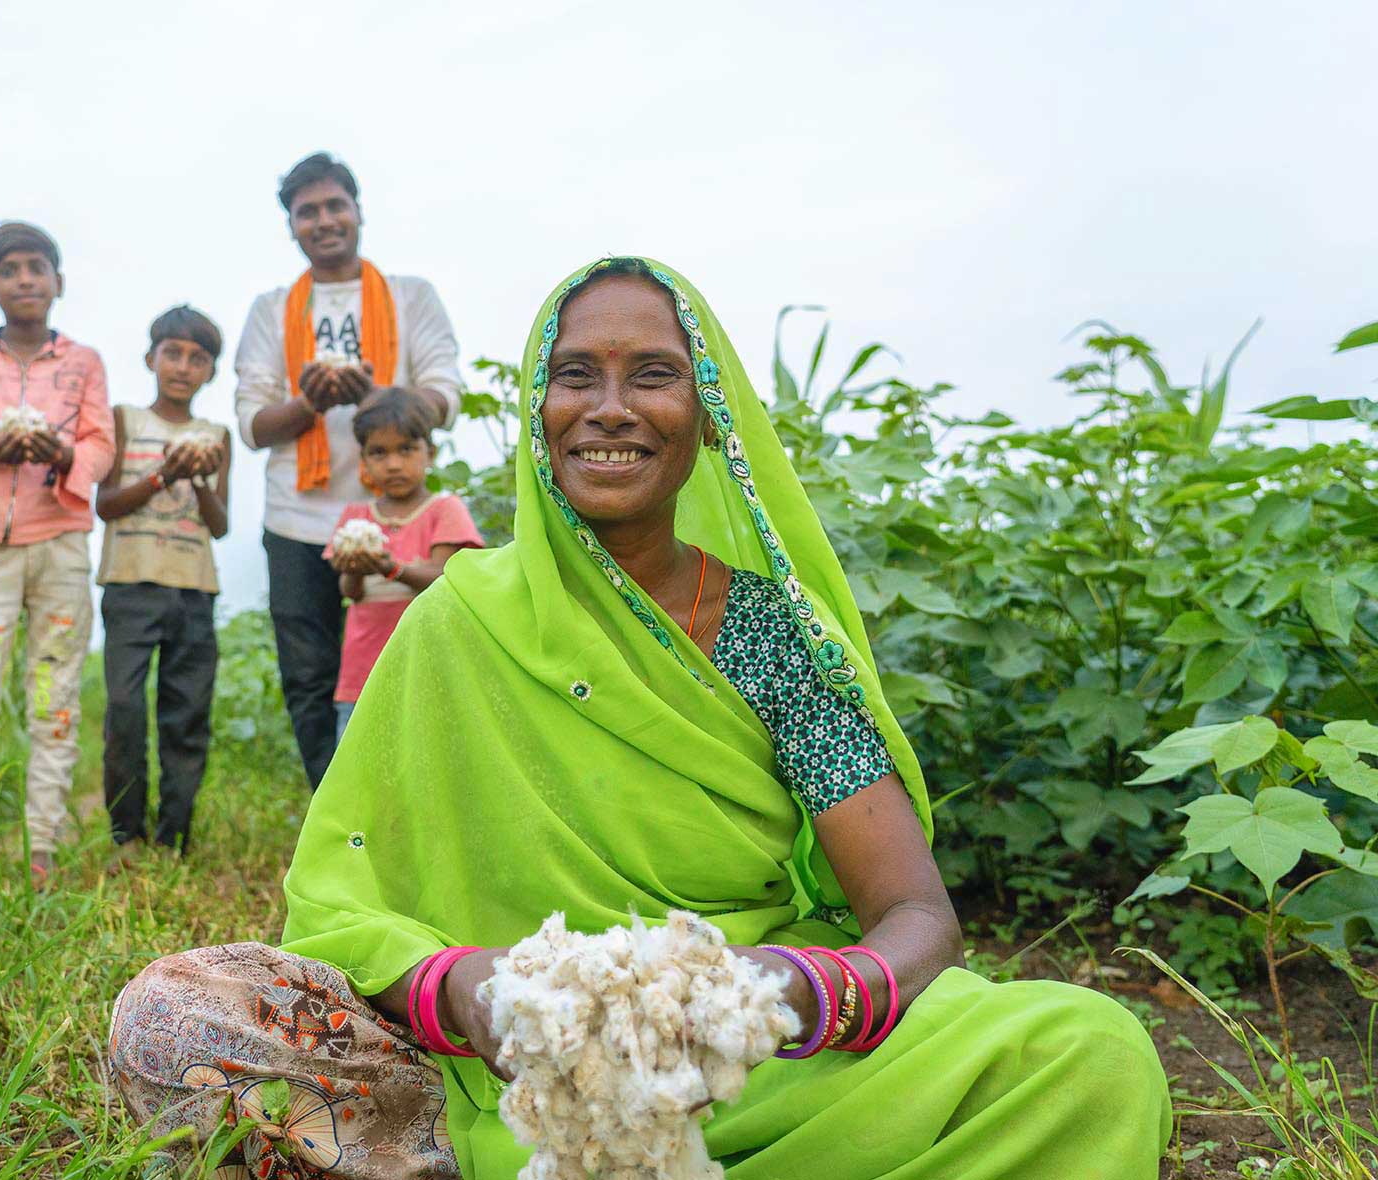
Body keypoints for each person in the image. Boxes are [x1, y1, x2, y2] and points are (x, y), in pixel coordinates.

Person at [109, 259, 1171, 1179]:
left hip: (746, 1065)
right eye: (576, 375)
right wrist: (475, 989)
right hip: (507, 1070)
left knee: (1090, 1050)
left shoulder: (769, 633)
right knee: (176, 1014)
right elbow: (338, 897)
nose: (610, 407)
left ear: (707, 412)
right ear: (538, 408)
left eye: (652, 374)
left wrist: (770, 993)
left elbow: (916, 916)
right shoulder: (456, 622)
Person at [234, 151, 464, 790]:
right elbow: (252, 424)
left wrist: (373, 396)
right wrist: (311, 402)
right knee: (309, 677)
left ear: (359, 211)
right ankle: (332, 813)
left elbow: (443, 396)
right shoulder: (271, 308)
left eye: (336, 205)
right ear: (291, 227)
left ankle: (403, 799)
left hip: (399, 520)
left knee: (402, 665)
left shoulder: (410, 297)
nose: (324, 220)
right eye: (307, 212)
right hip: (298, 521)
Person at [0, 221, 114, 888]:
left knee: (54, 695)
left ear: (59, 282)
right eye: (10, 270)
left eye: (38, 267)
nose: (26, 279)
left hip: (60, 543)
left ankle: (44, 846)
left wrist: (62, 454)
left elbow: (100, 446)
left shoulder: (84, 362)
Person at [95, 305, 232, 854]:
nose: (182, 366)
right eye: (172, 353)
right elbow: (106, 505)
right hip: (129, 584)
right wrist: (162, 475)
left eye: (197, 358)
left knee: (186, 713)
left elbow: (220, 524)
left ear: (210, 372)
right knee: (126, 709)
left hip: (193, 588)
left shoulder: (216, 435)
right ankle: (127, 833)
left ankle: (175, 834)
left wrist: (197, 478)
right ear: (151, 358)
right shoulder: (123, 420)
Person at [323, 388, 482, 741]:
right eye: (379, 453)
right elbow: (350, 592)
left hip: (427, 667)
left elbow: (444, 577)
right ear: (363, 460)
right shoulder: (355, 517)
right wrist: (354, 568)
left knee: (426, 755)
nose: (393, 464)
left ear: (431, 453)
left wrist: (390, 568)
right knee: (359, 760)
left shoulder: (444, 510)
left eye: (406, 450)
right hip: (363, 670)